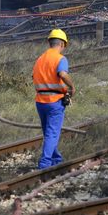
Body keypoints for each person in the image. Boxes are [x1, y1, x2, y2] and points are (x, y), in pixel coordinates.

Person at [31, 29, 75, 169]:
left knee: (49, 133)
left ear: (50, 42)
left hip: (40, 101)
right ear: (62, 44)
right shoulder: (60, 59)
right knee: (52, 133)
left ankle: (56, 159)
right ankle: (44, 164)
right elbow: (62, 74)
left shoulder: (40, 59)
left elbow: (35, 77)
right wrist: (72, 86)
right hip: (54, 101)